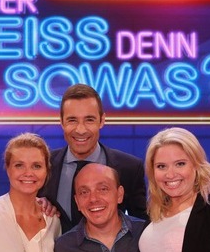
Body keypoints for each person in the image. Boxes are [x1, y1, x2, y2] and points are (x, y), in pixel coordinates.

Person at [38, 83, 147, 233]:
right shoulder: (43, 165)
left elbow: (141, 227)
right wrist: (36, 204)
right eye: (72, 120)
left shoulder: (129, 168)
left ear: (102, 120)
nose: (80, 130)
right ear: (62, 122)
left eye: (89, 120)